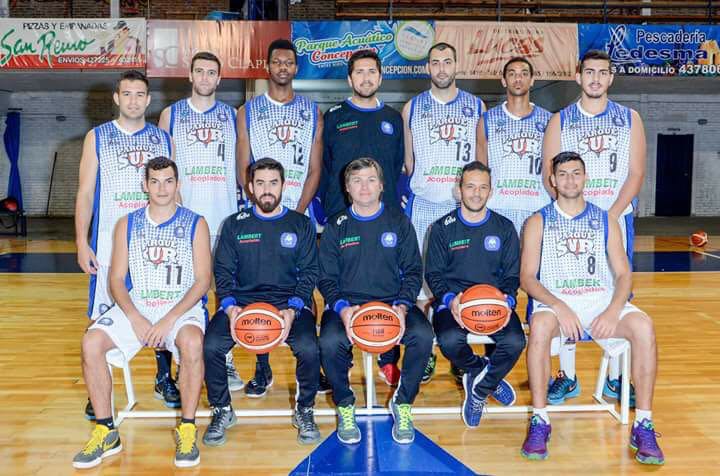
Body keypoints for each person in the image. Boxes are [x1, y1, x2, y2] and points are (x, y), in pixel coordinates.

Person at [520, 152, 663, 465]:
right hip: (556, 303)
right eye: (563, 174)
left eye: (576, 173)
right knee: (540, 327)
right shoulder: (538, 221)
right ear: (552, 180)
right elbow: (527, 278)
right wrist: (559, 305)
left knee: (644, 327)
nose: (570, 180)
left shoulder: (605, 220)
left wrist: (613, 310)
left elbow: (624, 274)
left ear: (585, 178)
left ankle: (644, 424)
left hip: (600, 301)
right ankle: (540, 419)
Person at [73, 157, 211, 469]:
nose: (162, 188)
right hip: (139, 306)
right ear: (144, 185)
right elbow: (116, 280)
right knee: (91, 342)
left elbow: (203, 280)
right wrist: (136, 318)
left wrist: (168, 319)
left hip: (180, 308)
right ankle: (106, 431)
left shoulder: (195, 223)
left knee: (192, 342)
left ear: (178, 184)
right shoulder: (127, 223)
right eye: (155, 182)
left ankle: (187, 427)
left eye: (168, 181)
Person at [542, 49, 646, 406]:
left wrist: (610, 217)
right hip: (571, 220)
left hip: (615, 218)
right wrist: (570, 213)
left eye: (603, 72)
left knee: (617, 294)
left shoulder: (629, 118)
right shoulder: (561, 120)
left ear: (611, 77)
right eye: (589, 72)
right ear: (578, 76)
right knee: (568, 291)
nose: (596, 79)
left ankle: (617, 379)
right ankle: (567, 376)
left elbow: (636, 173)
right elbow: (549, 175)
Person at [74, 70, 177, 418]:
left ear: (149, 100)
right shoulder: (98, 136)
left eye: (140, 94)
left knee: (161, 306)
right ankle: (99, 393)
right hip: (108, 244)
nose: (133, 100)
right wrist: (81, 241)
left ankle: (164, 378)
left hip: (153, 242)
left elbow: (174, 192)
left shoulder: (162, 138)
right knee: (101, 317)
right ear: (117, 98)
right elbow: (85, 193)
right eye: (127, 94)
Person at [202, 158, 322, 446]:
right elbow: (223, 272)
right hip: (243, 304)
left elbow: (310, 272)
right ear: (250, 187)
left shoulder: (301, 224)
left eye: (273, 183)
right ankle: (222, 409)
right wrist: (230, 307)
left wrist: (294, 308)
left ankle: (305, 409)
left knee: (309, 347)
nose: (267, 190)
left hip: (288, 303)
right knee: (211, 345)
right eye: (260, 183)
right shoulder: (234, 224)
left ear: (283, 185)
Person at [318, 158, 433, 445]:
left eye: (371, 180)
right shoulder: (336, 226)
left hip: (392, 303)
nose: (364, 187)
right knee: (329, 341)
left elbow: (413, 271)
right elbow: (326, 278)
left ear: (382, 186)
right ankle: (345, 404)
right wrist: (342, 308)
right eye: (356, 181)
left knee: (423, 335)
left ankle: (403, 402)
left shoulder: (399, 222)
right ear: (347, 188)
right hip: (349, 304)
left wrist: (403, 305)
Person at [236, 38, 324, 397]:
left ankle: (312, 366)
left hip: (300, 214)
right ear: (267, 66)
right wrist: (263, 213)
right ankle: (262, 367)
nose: (283, 67)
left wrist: (297, 214)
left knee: (306, 286)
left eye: (289, 62)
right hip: (260, 214)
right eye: (277, 62)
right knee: (259, 287)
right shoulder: (247, 111)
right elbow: (243, 167)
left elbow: (315, 169)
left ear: (295, 67)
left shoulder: (312, 111)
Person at [321, 48, 408, 387]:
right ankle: (341, 360)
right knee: (342, 285)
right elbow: (325, 166)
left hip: (384, 218)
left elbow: (397, 167)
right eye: (359, 72)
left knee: (385, 283)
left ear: (381, 77)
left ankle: (388, 356)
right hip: (342, 216)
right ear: (349, 78)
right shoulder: (334, 117)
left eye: (372, 71)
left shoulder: (393, 118)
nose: (366, 77)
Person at [158, 51, 244, 393]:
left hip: (223, 219)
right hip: (186, 222)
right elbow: (161, 169)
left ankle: (224, 359)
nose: (205, 77)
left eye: (211, 72)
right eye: (200, 71)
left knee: (226, 294)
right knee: (186, 293)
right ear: (190, 75)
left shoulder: (232, 116)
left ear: (219, 78)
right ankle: (184, 361)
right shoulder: (171, 115)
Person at [402, 42, 485, 383]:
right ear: (428, 68)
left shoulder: (476, 106)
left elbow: (480, 158)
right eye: (435, 62)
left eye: (447, 61)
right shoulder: (412, 107)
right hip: (424, 206)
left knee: (463, 279)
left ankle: (460, 352)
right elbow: (409, 163)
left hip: (460, 208)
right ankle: (426, 354)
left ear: (456, 65)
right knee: (424, 286)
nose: (441, 68)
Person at [425, 161, 525, 428]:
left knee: (515, 341)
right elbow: (433, 274)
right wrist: (450, 300)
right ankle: (479, 370)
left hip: (494, 303)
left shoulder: (504, 227)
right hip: (453, 301)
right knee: (449, 340)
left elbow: (512, 275)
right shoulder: (441, 228)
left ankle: (479, 390)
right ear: (459, 190)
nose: (476, 193)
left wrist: (508, 300)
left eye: (483, 188)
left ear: (491, 191)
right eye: (470, 187)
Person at [479, 57, 552, 236]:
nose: (518, 78)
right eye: (512, 74)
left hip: (537, 207)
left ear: (532, 80)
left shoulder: (549, 120)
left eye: (524, 74)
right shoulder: (487, 120)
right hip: (498, 208)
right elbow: (480, 170)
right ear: (504, 81)